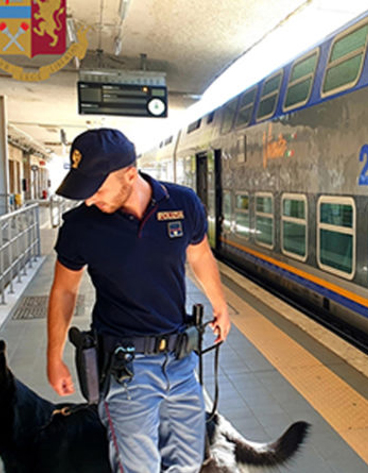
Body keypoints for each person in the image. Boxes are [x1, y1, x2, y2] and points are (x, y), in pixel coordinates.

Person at [46, 128, 231, 473]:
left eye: (97, 189)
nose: (89, 200)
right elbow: (64, 290)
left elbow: (200, 256)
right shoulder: (80, 226)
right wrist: (53, 355)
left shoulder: (182, 203)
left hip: (181, 361)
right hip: (126, 369)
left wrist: (220, 305)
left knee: (189, 464)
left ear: (130, 174)